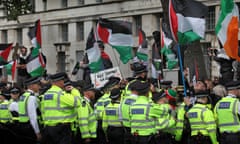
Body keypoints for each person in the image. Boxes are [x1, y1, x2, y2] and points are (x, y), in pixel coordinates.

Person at [41, 72, 80, 144]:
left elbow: (43, 111)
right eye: (63, 81)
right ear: (59, 82)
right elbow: (77, 102)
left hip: (49, 128)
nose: (64, 83)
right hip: (62, 129)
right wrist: (74, 90)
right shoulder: (60, 94)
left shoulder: (46, 94)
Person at [17, 76, 42, 144]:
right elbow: (32, 117)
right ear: (31, 86)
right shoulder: (31, 98)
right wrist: (37, 132)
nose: (39, 87)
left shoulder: (23, 96)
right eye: (38, 84)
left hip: (22, 125)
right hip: (30, 127)